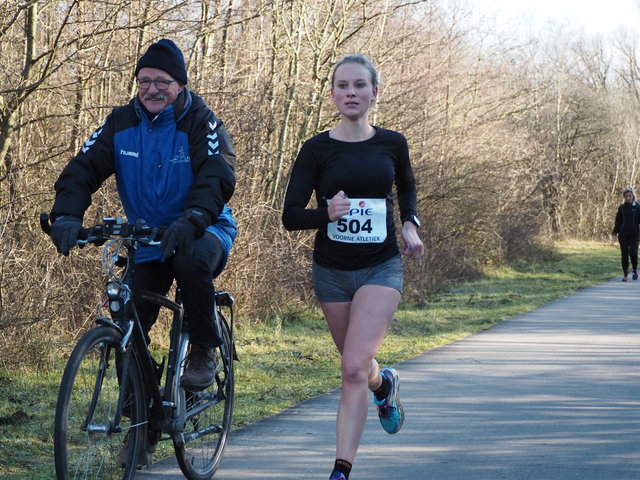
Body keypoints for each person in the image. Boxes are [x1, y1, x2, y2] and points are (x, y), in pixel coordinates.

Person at [50, 39, 237, 391]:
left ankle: (204, 348)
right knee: (127, 323)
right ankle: (143, 426)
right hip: (148, 237)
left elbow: (217, 174)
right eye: (144, 81)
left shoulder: (202, 121)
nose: (152, 90)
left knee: (190, 262)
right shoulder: (120, 123)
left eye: (162, 81)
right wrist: (66, 216)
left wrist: (193, 217)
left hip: (204, 227)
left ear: (180, 84)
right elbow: (83, 168)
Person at [282, 54, 424, 480]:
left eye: (359, 85)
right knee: (359, 366)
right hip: (331, 272)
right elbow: (290, 216)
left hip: (380, 267)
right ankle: (385, 386)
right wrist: (327, 213)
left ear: (374, 93)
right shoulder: (316, 148)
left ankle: (341, 470)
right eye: (342, 86)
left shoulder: (393, 143)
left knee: (349, 369)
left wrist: (410, 225)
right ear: (332, 94)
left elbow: (407, 187)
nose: (351, 93)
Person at [612, 187, 640, 282]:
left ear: (633, 196)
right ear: (624, 197)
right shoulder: (622, 207)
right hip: (623, 234)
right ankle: (625, 274)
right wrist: (614, 233)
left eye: (630, 196)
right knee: (624, 254)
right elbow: (618, 221)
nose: (628, 198)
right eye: (626, 196)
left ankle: (635, 270)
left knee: (633, 253)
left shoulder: (637, 207)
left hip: (634, 234)